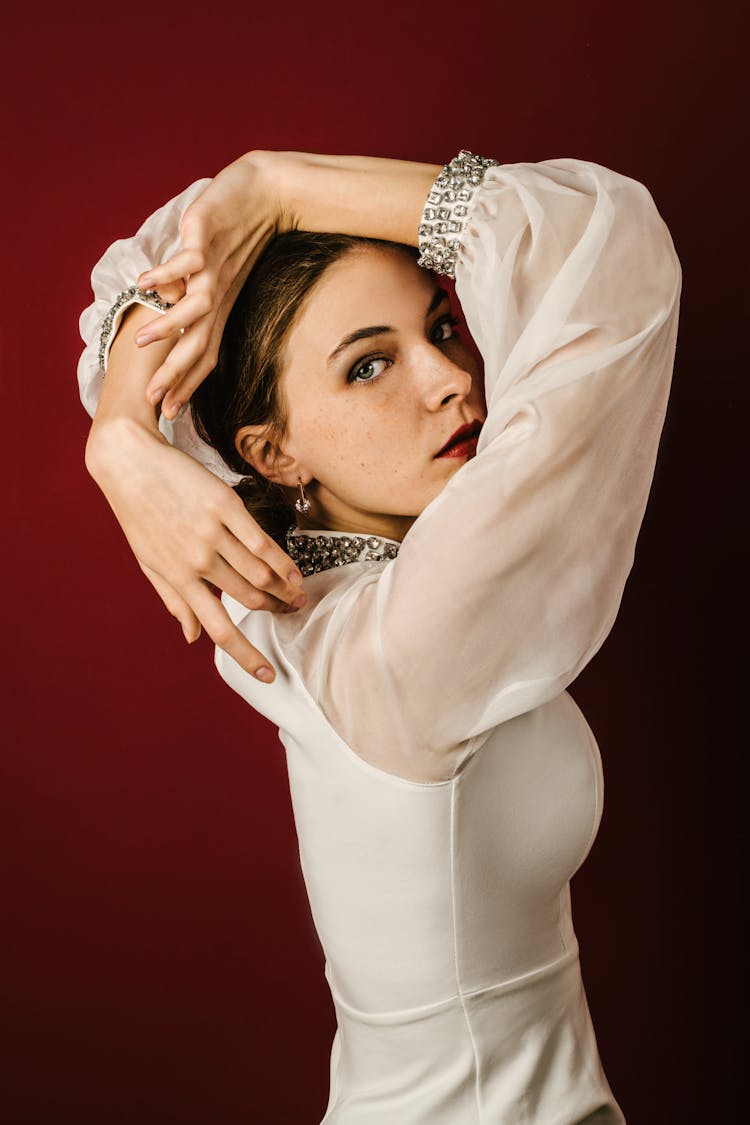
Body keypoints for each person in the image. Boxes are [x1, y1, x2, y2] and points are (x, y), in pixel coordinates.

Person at [77, 148, 682, 1123]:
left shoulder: (276, 586)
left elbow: (162, 260)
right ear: (272, 451)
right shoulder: (399, 641)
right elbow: (613, 249)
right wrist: (272, 189)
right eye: (369, 364)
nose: (450, 377)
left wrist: (118, 427)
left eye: (442, 326)